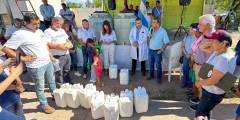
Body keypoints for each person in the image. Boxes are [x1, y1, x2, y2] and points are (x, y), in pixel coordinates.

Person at [2, 13, 56, 114]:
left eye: (38, 23)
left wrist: (50, 56)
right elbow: (5, 48)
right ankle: (44, 105)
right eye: (34, 24)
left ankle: (56, 96)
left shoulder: (39, 31)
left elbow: (44, 45)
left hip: (47, 62)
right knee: (40, 86)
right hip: (35, 66)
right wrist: (22, 58)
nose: (37, 26)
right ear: (25, 23)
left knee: (52, 81)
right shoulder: (20, 34)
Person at [194, 30, 234, 120]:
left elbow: (214, 80)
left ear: (223, 43)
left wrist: (199, 83)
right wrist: (213, 44)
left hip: (211, 93)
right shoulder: (219, 51)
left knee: (200, 114)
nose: (211, 42)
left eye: (214, 40)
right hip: (211, 91)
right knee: (206, 112)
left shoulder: (223, 58)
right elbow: (201, 47)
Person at [189, 14, 216, 108]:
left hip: (205, 66)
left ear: (208, 25)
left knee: (204, 87)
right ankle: (200, 99)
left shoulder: (214, 37)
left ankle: (202, 105)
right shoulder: (204, 34)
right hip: (198, 64)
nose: (198, 26)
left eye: (200, 24)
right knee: (200, 87)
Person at [44, 17, 73, 87]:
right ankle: (60, 87)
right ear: (53, 22)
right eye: (58, 23)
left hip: (66, 54)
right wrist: (60, 47)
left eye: (61, 24)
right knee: (58, 73)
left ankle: (67, 84)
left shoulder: (62, 30)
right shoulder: (47, 31)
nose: (59, 25)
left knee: (67, 71)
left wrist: (70, 44)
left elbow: (67, 40)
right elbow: (47, 44)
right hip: (57, 56)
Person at [147, 18, 170, 84]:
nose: (152, 24)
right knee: (151, 64)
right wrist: (149, 37)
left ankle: (159, 78)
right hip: (151, 50)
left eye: (154, 22)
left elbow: (167, 42)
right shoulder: (151, 29)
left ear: (158, 24)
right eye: (152, 22)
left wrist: (162, 50)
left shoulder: (163, 31)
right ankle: (151, 76)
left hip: (158, 51)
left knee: (158, 65)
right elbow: (148, 38)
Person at [181, 23, 200, 88]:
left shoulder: (198, 38)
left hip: (193, 57)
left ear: (195, 30)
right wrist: (186, 54)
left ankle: (190, 84)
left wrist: (191, 55)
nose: (189, 30)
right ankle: (184, 82)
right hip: (186, 56)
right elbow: (182, 46)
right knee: (185, 69)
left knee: (191, 71)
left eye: (191, 29)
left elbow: (197, 50)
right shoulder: (186, 36)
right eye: (189, 28)